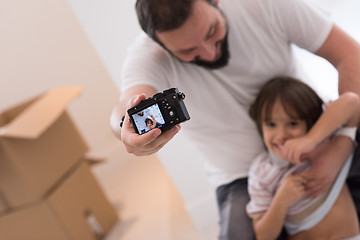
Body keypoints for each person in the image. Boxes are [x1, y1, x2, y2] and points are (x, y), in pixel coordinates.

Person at [110, 0, 360, 238]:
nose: (208, 53)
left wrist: (341, 143)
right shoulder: (146, 57)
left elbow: (350, 56)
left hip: (318, 137)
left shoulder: (264, 5)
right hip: (241, 176)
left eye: (212, 31)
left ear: (216, 2)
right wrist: (126, 129)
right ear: (159, 45)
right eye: (188, 50)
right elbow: (124, 109)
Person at [246, 77, 360, 240]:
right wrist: (281, 200)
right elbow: (264, 235)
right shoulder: (261, 171)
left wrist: (311, 139)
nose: (281, 136)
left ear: (309, 122)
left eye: (292, 124)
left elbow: (352, 100)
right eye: (271, 124)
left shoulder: (322, 142)